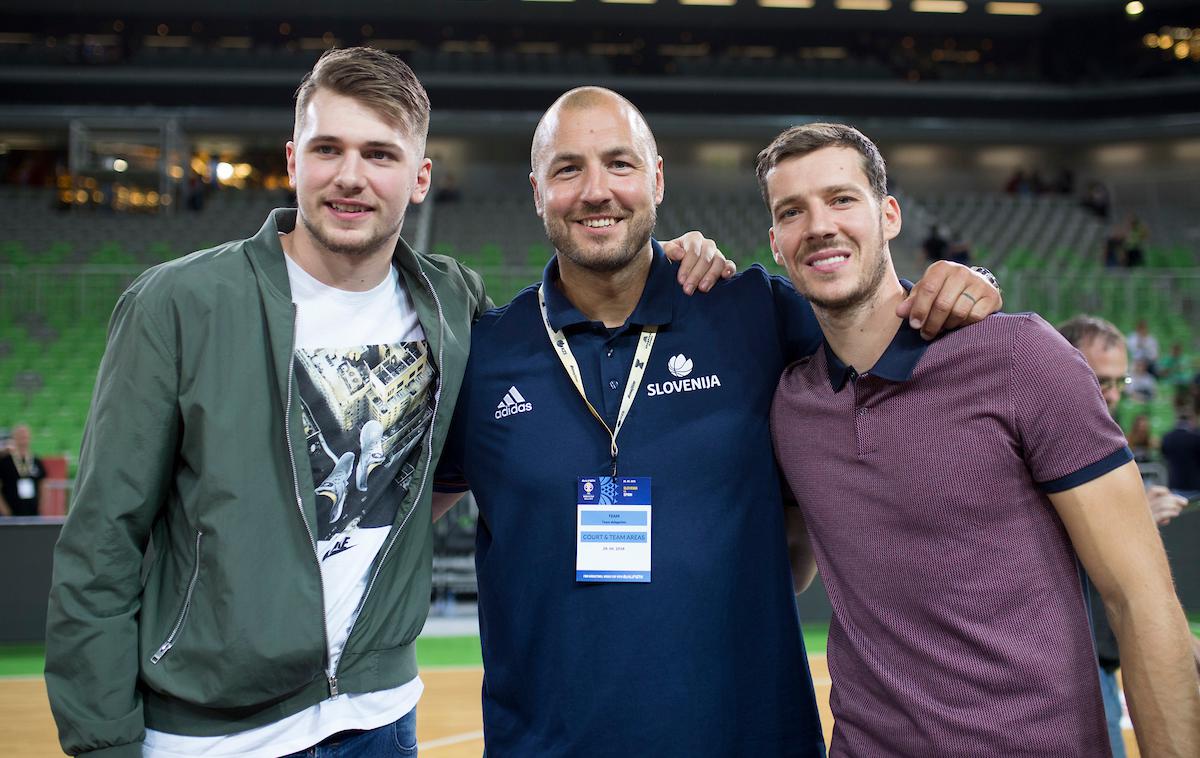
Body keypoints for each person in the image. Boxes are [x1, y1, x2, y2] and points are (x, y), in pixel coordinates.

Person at [41, 49, 732, 758]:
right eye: (328, 149)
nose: (351, 175)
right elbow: (100, 544)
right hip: (213, 735)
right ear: (292, 160)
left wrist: (667, 262)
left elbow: (500, 430)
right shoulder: (179, 304)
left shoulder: (456, 307)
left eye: (379, 153)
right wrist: (102, 743)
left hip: (380, 718)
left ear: (420, 176)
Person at [432, 87, 1001, 756]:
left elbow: (885, 329)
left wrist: (970, 283)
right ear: (536, 190)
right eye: (567, 169)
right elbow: (397, 529)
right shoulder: (487, 353)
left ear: (657, 178)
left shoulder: (751, 310)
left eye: (620, 164)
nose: (596, 190)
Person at [759, 122, 1200, 757]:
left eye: (842, 199)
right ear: (776, 243)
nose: (819, 225)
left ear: (889, 215)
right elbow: (792, 560)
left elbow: (1140, 600)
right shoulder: (790, 404)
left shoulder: (1021, 356)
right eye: (792, 211)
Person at [1058, 313, 1189, 757]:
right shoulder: (1027, 438)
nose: (1112, 395)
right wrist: (1134, 520)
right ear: (1058, 365)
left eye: (1120, 381)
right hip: (1059, 670)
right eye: (1099, 380)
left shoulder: (1107, 444)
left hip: (1101, 660)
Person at [0, 424, 45, 517]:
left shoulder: (36, 461)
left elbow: (42, 485)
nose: (23, 439)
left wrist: (41, 506)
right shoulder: (5, 461)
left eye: (25, 436)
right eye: (20, 436)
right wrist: (5, 510)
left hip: (33, 512)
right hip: (10, 513)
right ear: (14, 438)